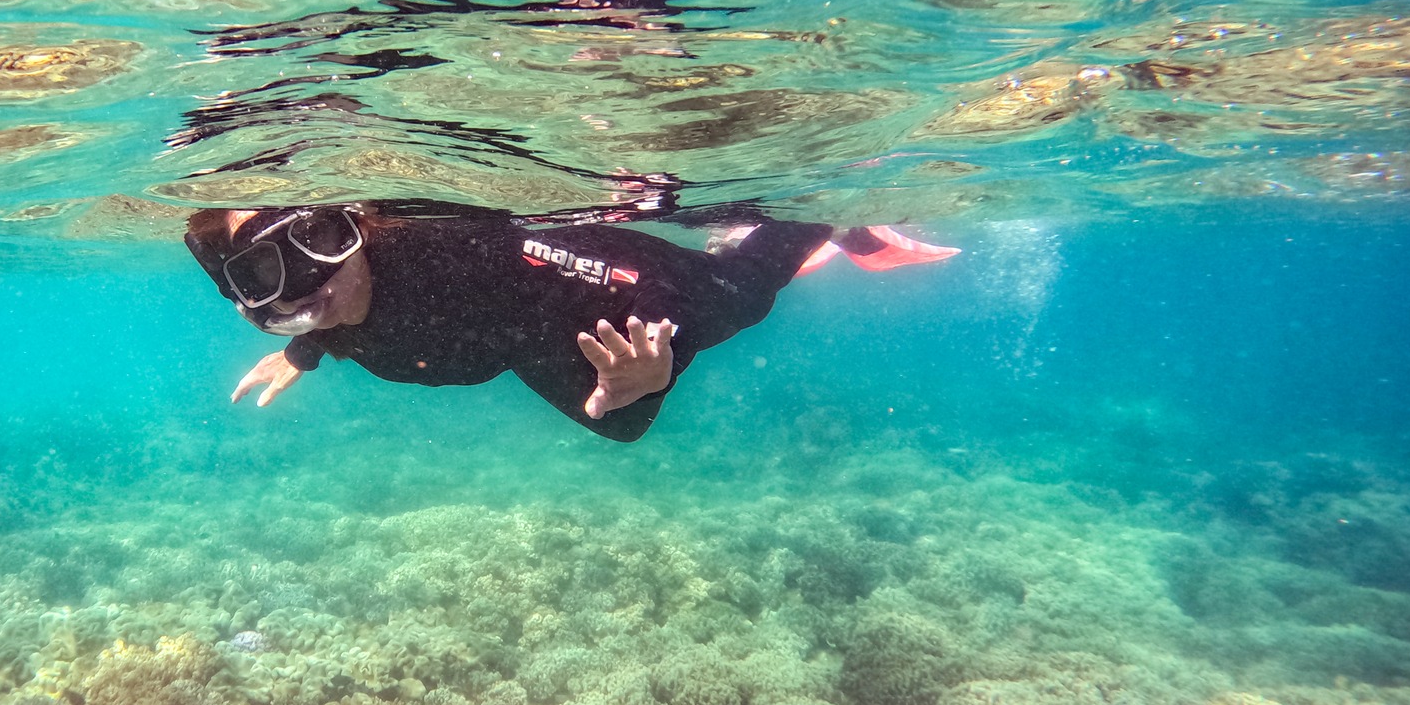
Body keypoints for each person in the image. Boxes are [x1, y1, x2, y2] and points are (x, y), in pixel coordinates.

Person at [184, 203, 958, 442]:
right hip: (520, 339)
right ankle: (740, 237)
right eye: (261, 273)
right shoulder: (321, 308)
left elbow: (641, 286)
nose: (308, 282)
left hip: (593, 299)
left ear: (354, 225)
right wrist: (306, 350)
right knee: (617, 418)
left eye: (318, 239)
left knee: (736, 294)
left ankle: (833, 223)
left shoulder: (457, 254)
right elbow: (323, 307)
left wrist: (656, 359)